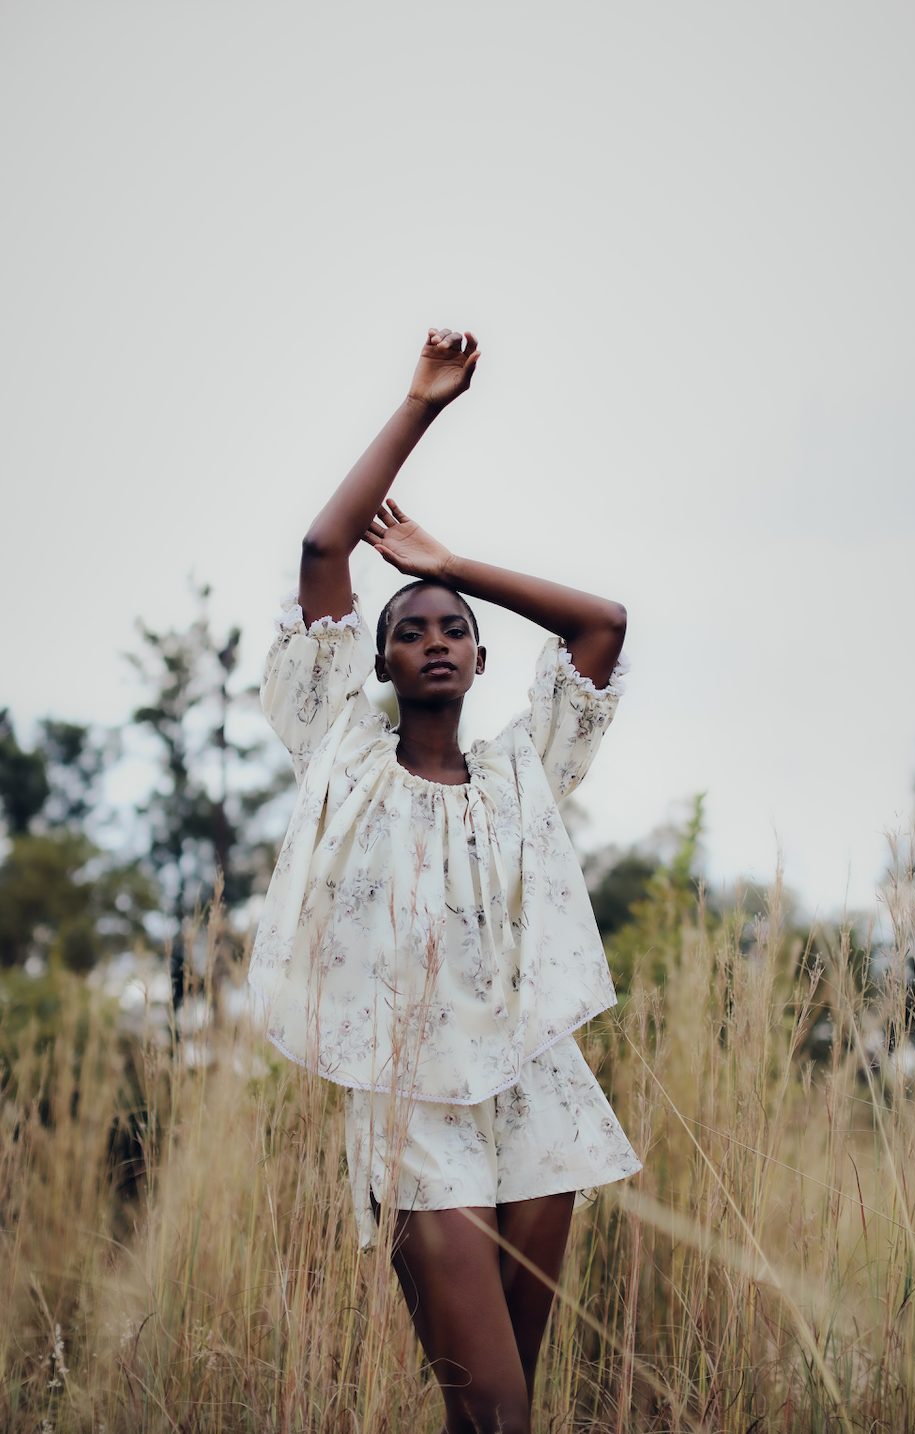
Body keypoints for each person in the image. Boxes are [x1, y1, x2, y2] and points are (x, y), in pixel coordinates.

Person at [249, 328, 641, 1434]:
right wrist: (421, 403)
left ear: (476, 660)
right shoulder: (344, 758)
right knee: (497, 1414)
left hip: (539, 1095)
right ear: (375, 662)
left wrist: (448, 563)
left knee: (503, 1412)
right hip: (412, 1103)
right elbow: (325, 544)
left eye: (451, 630)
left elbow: (599, 624)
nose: (431, 638)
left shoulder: (525, 772)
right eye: (409, 628)